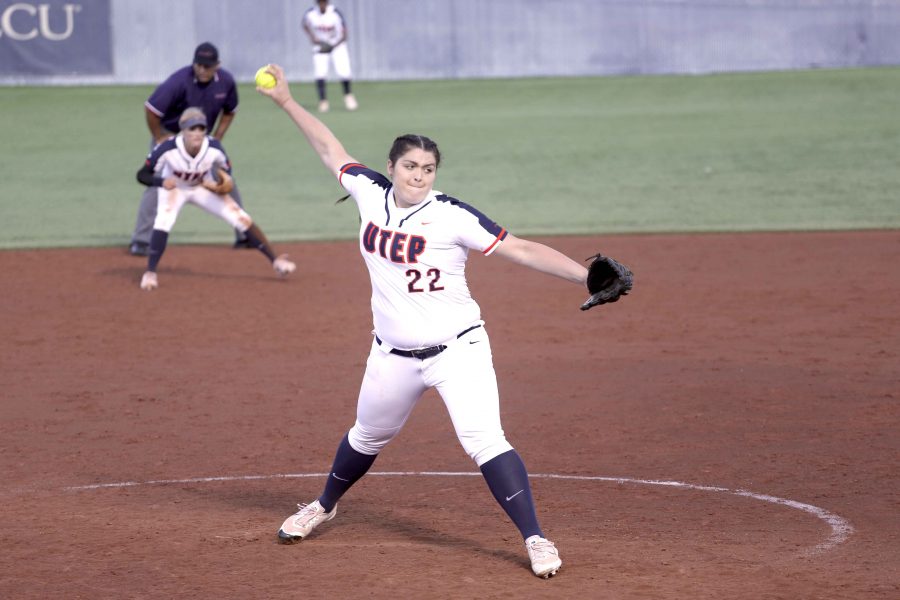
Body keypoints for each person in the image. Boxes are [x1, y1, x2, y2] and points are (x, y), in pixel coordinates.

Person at [257, 65, 633, 579]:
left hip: (459, 350)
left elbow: (519, 249)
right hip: (391, 354)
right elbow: (329, 149)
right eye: (410, 165)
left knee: (485, 439)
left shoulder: (453, 215)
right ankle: (323, 504)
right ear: (391, 166)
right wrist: (285, 101)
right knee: (366, 435)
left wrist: (585, 276)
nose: (419, 175)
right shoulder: (368, 191)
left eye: (428, 168)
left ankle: (536, 538)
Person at [135, 107, 296, 291]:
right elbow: (141, 175)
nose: (196, 133)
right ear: (182, 130)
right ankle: (150, 273)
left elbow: (225, 170)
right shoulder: (167, 148)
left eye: (201, 129)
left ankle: (276, 261)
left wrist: (222, 183)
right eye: (191, 129)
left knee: (239, 217)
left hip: (203, 186)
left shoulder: (213, 148)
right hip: (175, 188)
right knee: (164, 220)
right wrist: (160, 181)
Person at [129, 42, 250, 256]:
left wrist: (218, 137)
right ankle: (141, 240)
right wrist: (159, 137)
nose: (202, 69)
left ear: (217, 65)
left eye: (207, 66)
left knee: (225, 179)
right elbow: (151, 109)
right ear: (193, 63)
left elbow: (230, 110)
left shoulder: (226, 82)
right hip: (172, 135)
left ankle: (245, 234)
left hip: (201, 138)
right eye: (199, 65)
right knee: (158, 183)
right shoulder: (178, 81)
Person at [302, 0, 358, 113]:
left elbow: (345, 33)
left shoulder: (335, 13)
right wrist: (313, 38)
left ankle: (348, 96)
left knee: (344, 71)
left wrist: (333, 46)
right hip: (321, 45)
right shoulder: (311, 13)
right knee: (320, 72)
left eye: (324, 2)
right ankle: (323, 101)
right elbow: (304, 24)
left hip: (337, 45)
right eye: (320, 2)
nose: (322, 4)